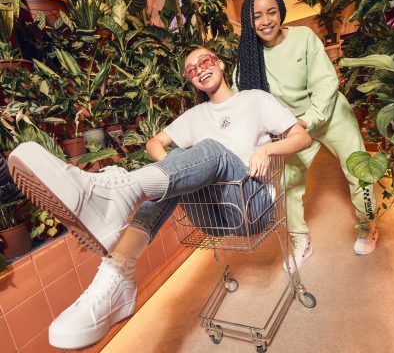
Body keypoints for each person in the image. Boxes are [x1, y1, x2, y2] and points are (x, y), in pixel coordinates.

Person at [8, 48, 312, 350]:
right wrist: (176, 169)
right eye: (191, 70)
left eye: (205, 61)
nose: (200, 69)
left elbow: (302, 136)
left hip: (252, 205)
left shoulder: (255, 99)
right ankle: (116, 274)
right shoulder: (194, 115)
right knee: (178, 157)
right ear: (190, 80)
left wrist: (267, 150)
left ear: (220, 63)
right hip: (211, 216)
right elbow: (155, 143)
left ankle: (119, 209)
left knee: (210, 149)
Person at [234, 0, 379, 272]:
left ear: (281, 12)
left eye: (271, 12)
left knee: (358, 171)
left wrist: (308, 119)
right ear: (249, 21)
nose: (265, 21)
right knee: (289, 185)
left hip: (331, 114)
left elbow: (325, 82)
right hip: (294, 129)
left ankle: (369, 225)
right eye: (257, 16)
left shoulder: (304, 37)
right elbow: (240, 98)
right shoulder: (249, 58)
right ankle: (301, 241)